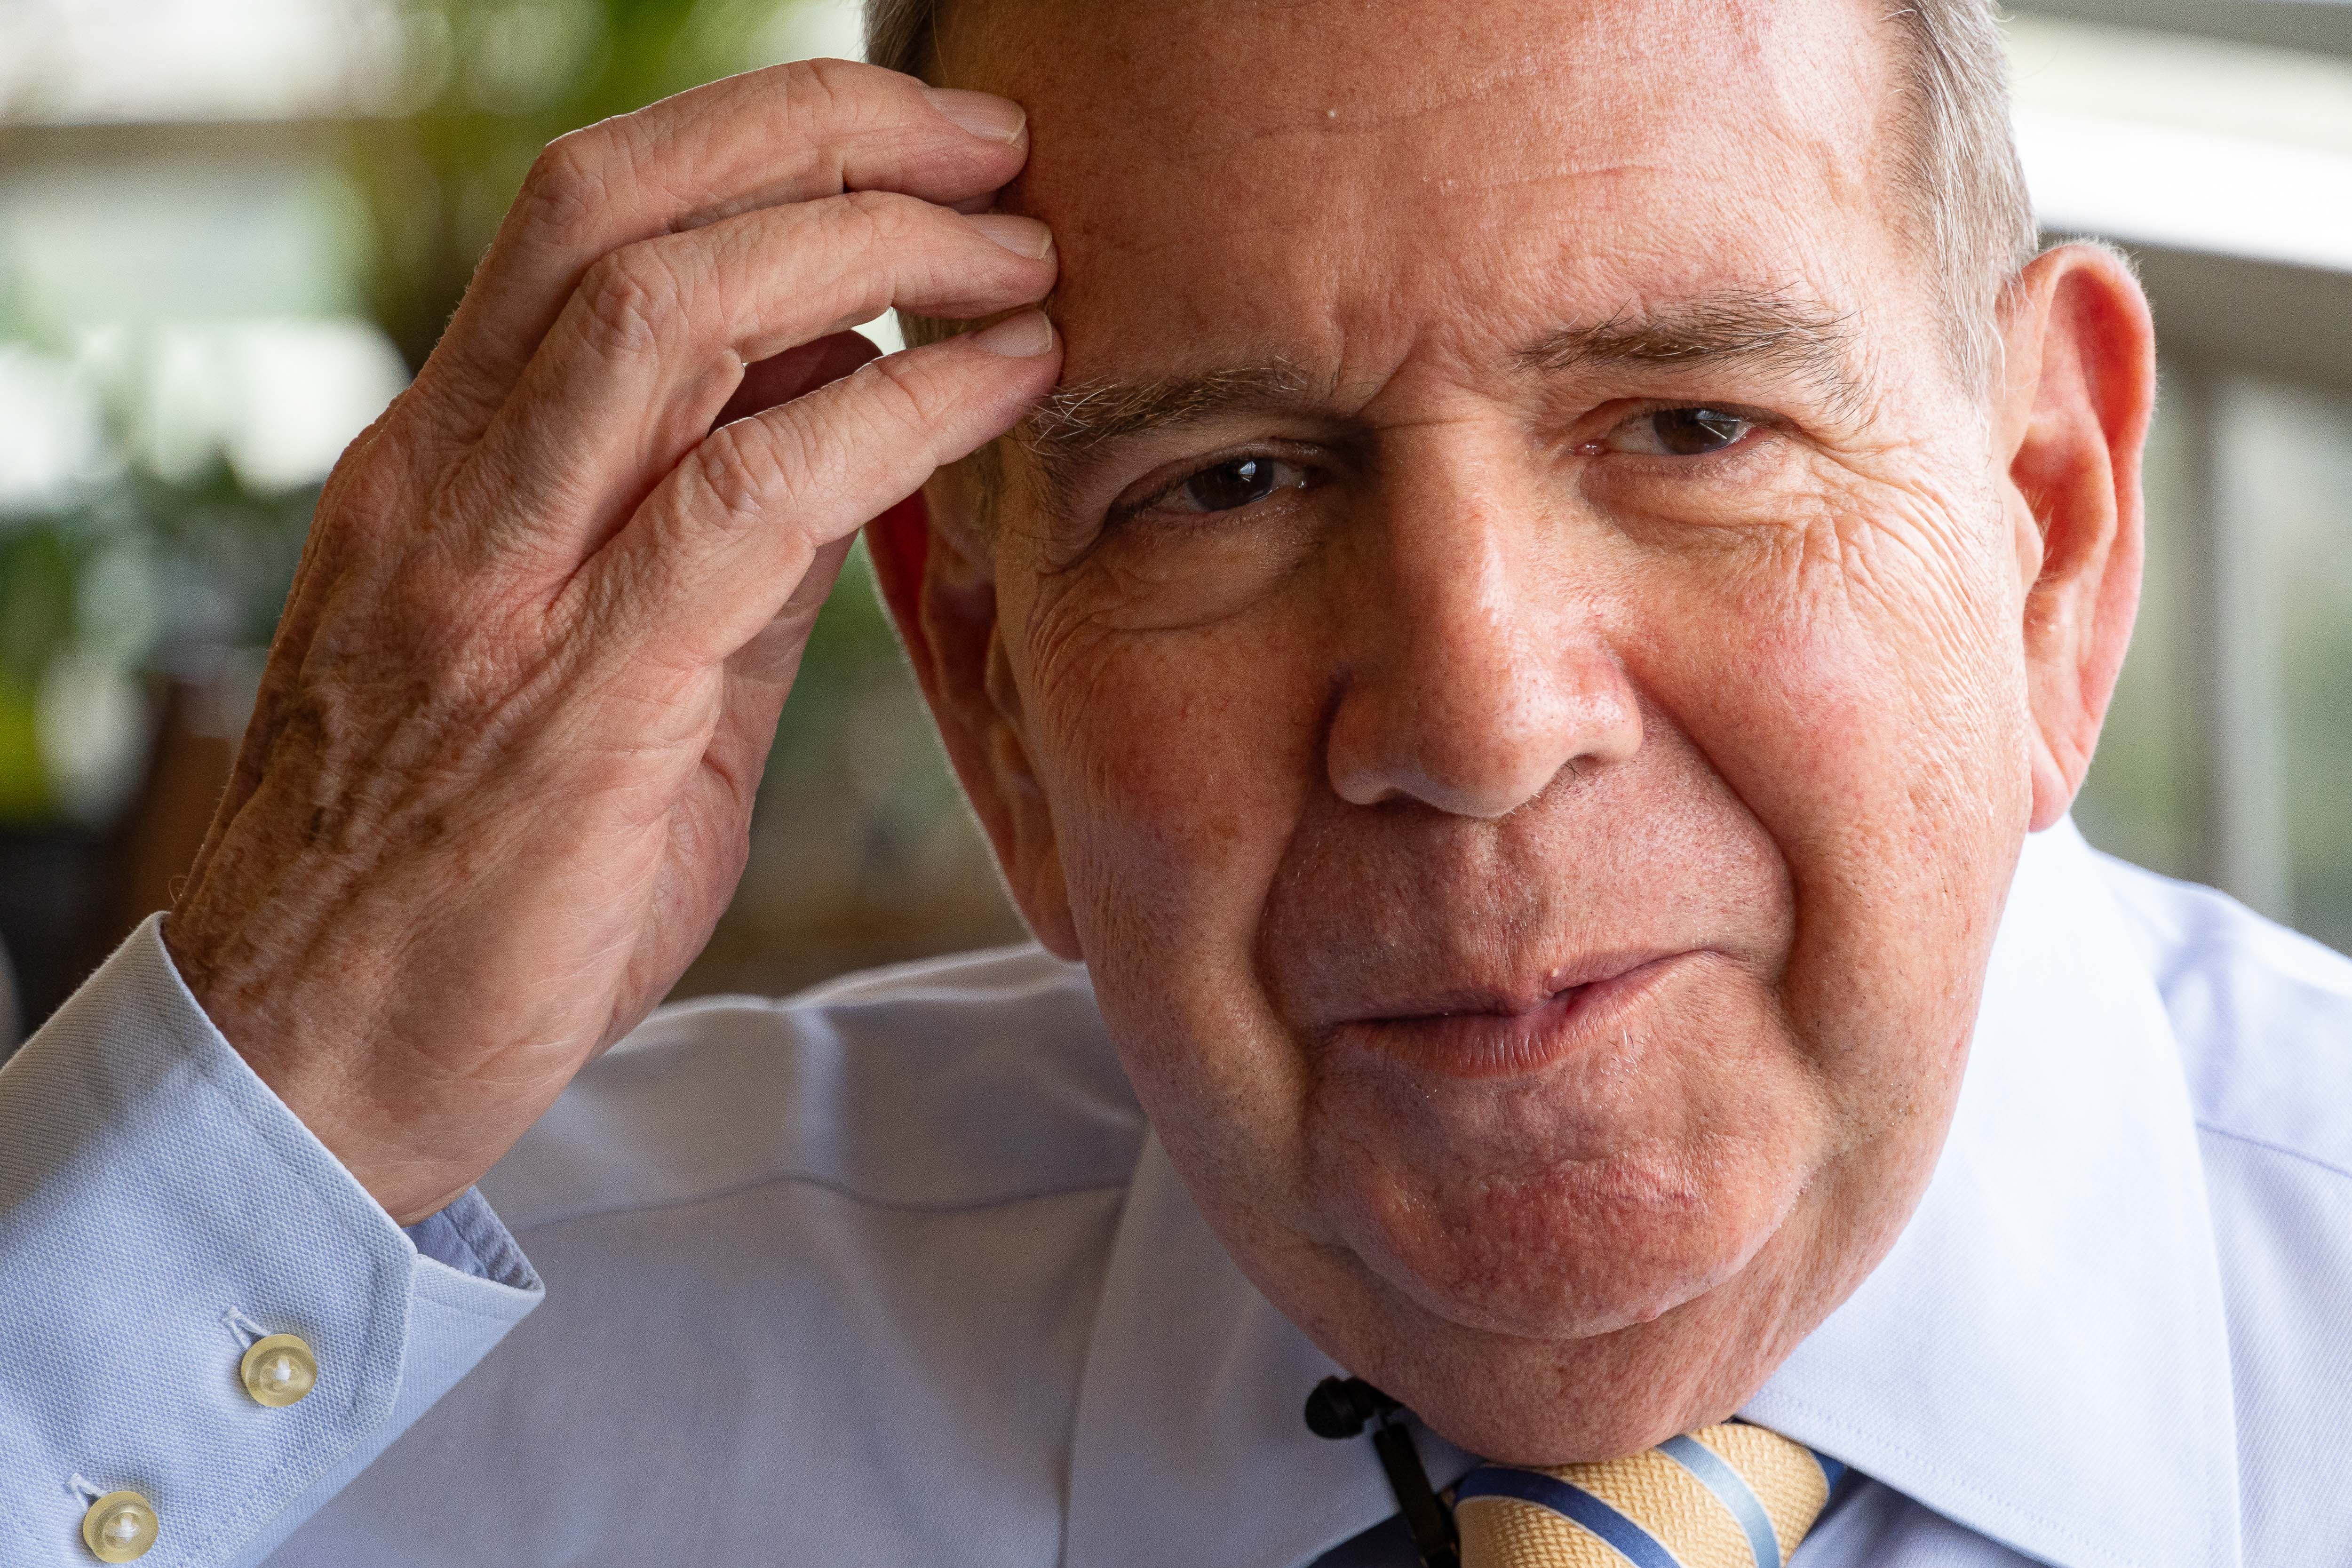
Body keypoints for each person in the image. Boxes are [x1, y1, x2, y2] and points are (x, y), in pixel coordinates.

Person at [4, 0, 2348, 1563]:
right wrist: (281, 1059)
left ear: (2049, 529)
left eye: (1692, 428)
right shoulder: (365, 1390)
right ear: (987, 696)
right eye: (1227, 482)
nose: (1472, 715)